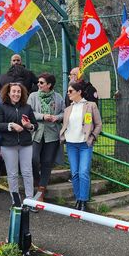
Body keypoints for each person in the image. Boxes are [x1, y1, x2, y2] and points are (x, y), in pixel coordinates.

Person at [60, 82, 102, 211]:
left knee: (83, 172)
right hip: (71, 144)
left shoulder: (90, 105)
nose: (68, 93)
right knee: (75, 173)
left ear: (79, 92)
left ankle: (83, 200)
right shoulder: (68, 109)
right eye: (68, 91)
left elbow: (98, 124)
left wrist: (92, 137)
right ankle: (78, 199)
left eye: (71, 91)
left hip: (84, 144)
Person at [0, 83, 37, 207]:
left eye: (18, 92)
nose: (16, 94)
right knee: (12, 174)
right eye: (13, 91)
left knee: (27, 172)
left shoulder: (27, 108)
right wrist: (11, 126)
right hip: (8, 145)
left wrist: (29, 126)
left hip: (26, 144)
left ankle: (30, 201)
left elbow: (35, 125)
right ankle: (16, 201)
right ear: (8, 93)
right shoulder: (1, 107)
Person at [28, 73, 65, 201]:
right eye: (38, 82)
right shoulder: (33, 96)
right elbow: (29, 112)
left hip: (52, 134)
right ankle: (37, 181)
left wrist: (57, 117)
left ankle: (41, 189)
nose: (38, 84)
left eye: (41, 83)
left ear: (49, 85)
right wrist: (42, 116)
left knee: (47, 162)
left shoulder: (58, 97)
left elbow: (64, 112)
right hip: (36, 133)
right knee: (33, 159)